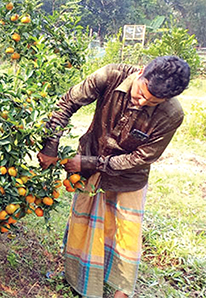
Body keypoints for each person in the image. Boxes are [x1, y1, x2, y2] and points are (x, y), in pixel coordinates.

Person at [37, 56, 190, 298]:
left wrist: (88, 163)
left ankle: (122, 291)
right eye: (141, 93)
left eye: (151, 102)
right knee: (84, 224)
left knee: (125, 237)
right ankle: (75, 279)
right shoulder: (111, 75)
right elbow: (67, 103)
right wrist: (50, 146)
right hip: (89, 165)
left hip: (128, 179)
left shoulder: (171, 114)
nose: (141, 102)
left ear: (166, 100)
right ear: (141, 72)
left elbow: (140, 158)